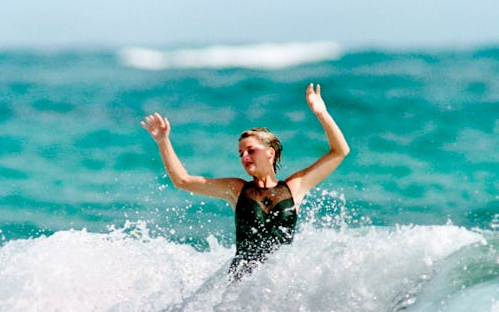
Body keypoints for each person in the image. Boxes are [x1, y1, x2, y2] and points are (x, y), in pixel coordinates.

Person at [141, 83, 349, 279]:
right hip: (240, 286)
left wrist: (322, 114)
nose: (244, 157)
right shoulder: (237, 189)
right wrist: (163, 141)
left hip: (280, 286)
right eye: (240, 153)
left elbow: (340, 152)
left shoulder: (295, 187)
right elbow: (183, 181)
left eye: (250, 151)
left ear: (270, 153)